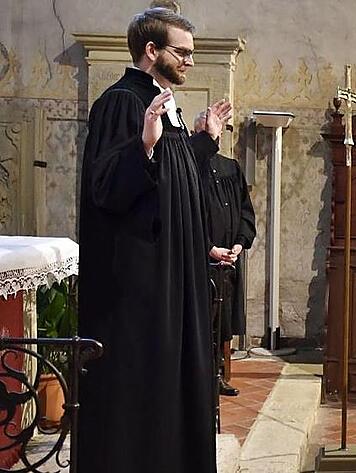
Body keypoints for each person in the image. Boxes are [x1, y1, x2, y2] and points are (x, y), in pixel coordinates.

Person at [78, 8, 232, 473]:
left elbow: (174, 185)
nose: (188, 61)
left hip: (173, 277)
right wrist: (142, 146)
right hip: (140, 288)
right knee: (140, 396)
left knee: (173, 388)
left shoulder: (160, 104)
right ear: (151, 50)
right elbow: (106, 187)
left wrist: (203, 141)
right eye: (181, 52)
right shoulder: (122, 102)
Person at [194, 111, 256, 397]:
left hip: (229, 262)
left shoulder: (231, 168)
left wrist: (240, 244)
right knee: (201, 323)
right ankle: (200, 378)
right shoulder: (192, 168)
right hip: (201, 261)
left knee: (223, 323)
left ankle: (218, 375)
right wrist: (209, 247)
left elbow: (245, 211)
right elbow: (188, 217)